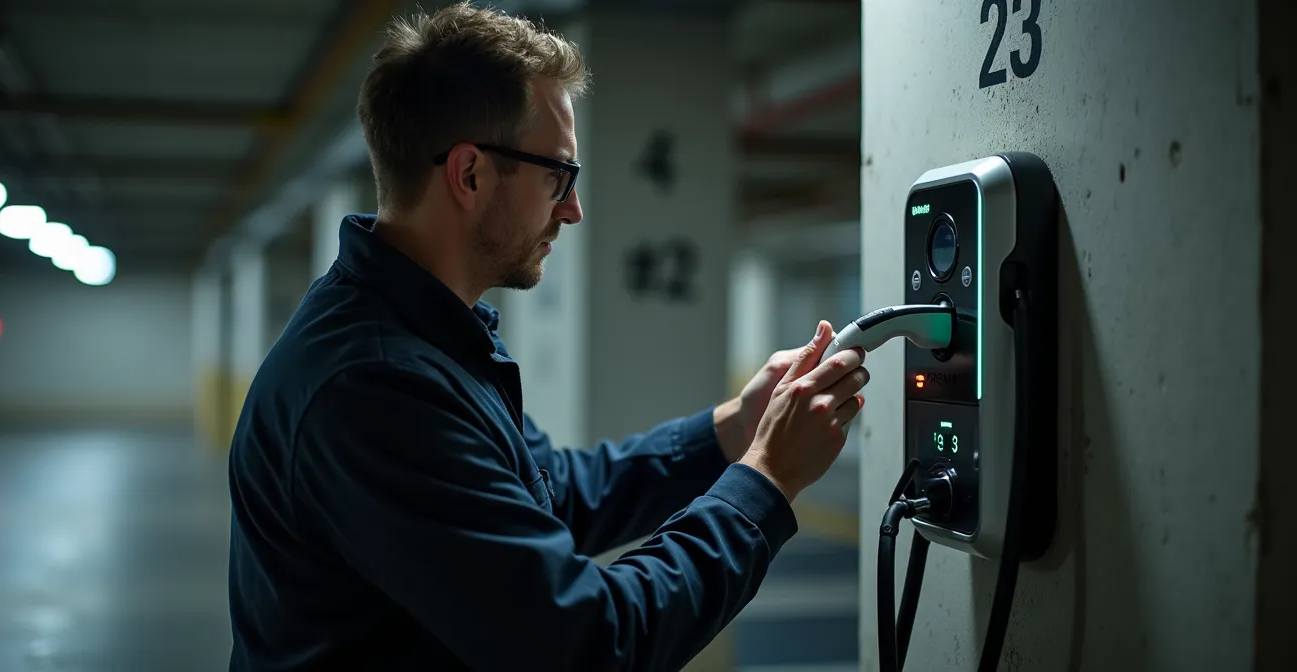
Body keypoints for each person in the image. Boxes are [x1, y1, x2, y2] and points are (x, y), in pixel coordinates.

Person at [225, 3, 870, 671]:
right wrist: (765, 480)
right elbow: (588, 643)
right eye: (557, 175)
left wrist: (734, 427)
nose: (573, 209)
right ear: (470, 174)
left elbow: (552, 494)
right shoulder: (377, 385)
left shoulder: (432, 339)